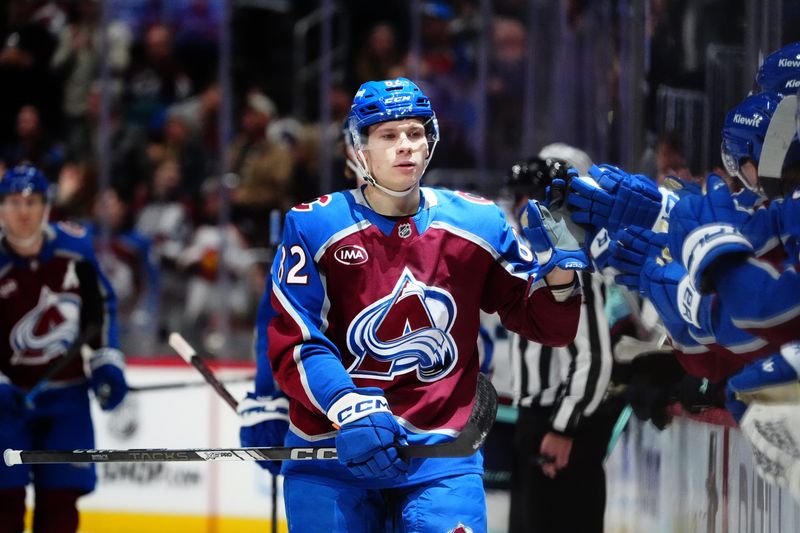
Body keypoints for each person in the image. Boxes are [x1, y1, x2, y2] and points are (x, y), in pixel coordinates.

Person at [246, 77, 584, 532]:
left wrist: (562, 269)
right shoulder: (315, 225)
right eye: (388, 135)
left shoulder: (478, 223)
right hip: (332, 448)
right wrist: (349, 405)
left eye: (415, 133)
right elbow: (298, 341)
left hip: (440, 455)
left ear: (431, 142)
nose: (405, 145)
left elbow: (549, 325)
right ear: (359, 148)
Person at [0, 164, 127, 533]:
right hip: (5, 406)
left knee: (60, 507)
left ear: (46, 206)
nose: (22, 212)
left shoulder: (75, 249)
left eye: (32, 201)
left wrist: (107, 363)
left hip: (66, 402)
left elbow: (100, 306)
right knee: (4, 504)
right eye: (11, 202)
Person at [504, 152, 618, 533]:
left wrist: (564, 428)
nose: (519, 208)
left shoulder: (571, 265)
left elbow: (595, 357)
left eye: (527, 197)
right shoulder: (535, 263)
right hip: (536, 423)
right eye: (517, 197)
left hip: (560, 426)